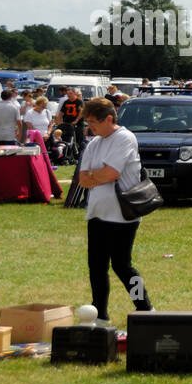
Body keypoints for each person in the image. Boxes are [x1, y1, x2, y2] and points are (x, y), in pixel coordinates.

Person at [76, 98, 154, 327]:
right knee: (96, 266)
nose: (90, 127)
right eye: (88, 122)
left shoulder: (125, 137)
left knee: (122, 265)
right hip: (97, 213)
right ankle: (99, 314)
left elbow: (111, 173)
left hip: (123, 214)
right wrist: (96, 176)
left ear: (109, 119)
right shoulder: (94, 143)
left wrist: (95, 176)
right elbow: (82, 179)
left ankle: (145, 307)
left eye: (93, 122)